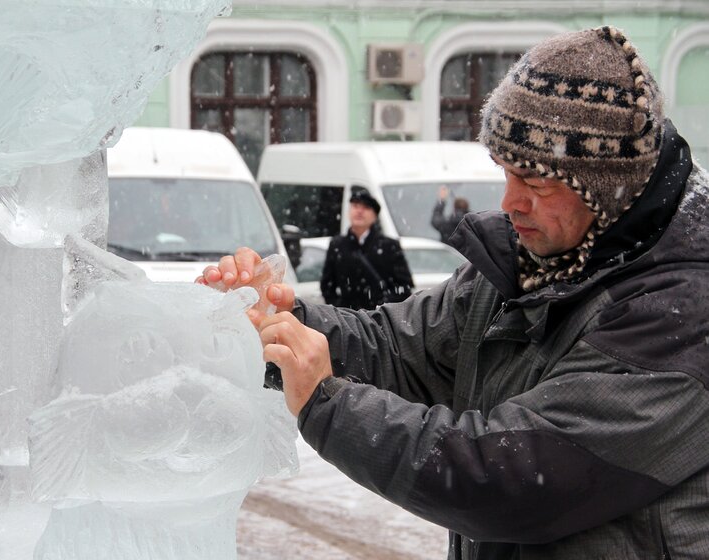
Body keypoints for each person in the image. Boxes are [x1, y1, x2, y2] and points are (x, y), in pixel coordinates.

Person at [198, 27, 709, 559]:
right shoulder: (532, 260)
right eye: (506, 174)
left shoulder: (685, 306)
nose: (510, 202)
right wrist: (284, 321)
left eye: (536, 184)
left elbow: (511, 476)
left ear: (606, 191)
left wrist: (328, 402)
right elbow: (401, 348)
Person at [319, 188, 414, 310]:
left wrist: (384, 308)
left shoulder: (389, 246)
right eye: (355, 206)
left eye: (366, 208)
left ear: (374, 216)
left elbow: (405, 286)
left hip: (379, 320)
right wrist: (340, 309)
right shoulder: (337, 245)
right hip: (348, 319)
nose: (359, 211)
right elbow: (327, 285)